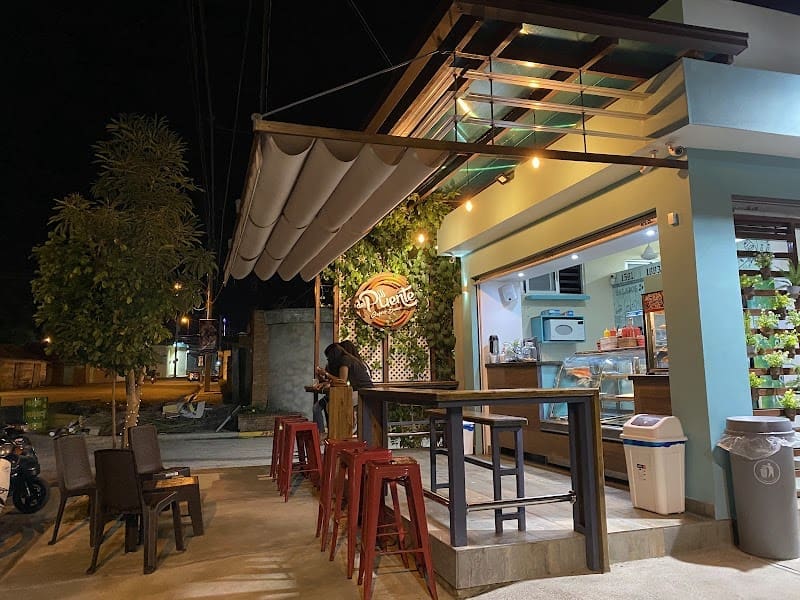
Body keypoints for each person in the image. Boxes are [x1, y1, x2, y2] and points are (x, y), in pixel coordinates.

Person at [314, 341, 373, 434]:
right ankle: (334, 433)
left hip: (362, 392)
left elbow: (342, 381)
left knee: (332, 404)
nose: (328, 360)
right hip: (360, 391)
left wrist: (326, 374)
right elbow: (340, 381)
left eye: (328, 357)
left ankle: (339, 433)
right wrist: (325, 381)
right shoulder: (350, 359)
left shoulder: (345, 360)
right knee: (328, 403)